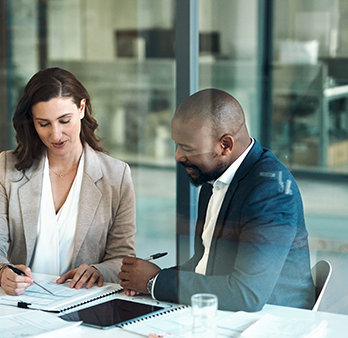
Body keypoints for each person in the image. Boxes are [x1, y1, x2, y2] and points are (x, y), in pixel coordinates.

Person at [118, 88, 314, 312]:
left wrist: (156, 282)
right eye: (177, 144)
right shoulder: (215, 178)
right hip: (227, 315)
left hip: (272, 323)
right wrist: (150, 279)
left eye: (188, 148)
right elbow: (205, 263)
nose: (178, 156)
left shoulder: (270, 192)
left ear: (226, 145)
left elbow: (246, 294)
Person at [0, 68, 136, 296]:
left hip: (83, 303)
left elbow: (122, 257)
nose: (56, 135)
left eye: (64, 120)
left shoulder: (116, 175)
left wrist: (98, 271)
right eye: (44, 123)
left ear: (81, 108)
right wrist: (1, 271)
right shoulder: (7, 168)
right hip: (21, 302)